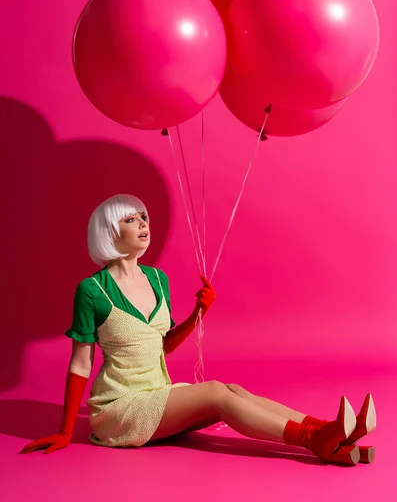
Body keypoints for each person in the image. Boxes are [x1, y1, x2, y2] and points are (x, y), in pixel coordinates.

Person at [20, 194, 376, 465]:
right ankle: (313, 439)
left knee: (233, 389)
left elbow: (162, 346)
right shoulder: (91, 290)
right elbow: (80, 363)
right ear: (110, 232)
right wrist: (67, 430)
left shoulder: (158, 280)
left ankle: (332, 433)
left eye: (144, 216)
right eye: (131, 219)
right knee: (216, 395)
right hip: (120, 409)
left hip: (158, 394)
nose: (144, 223)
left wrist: (197, 314)